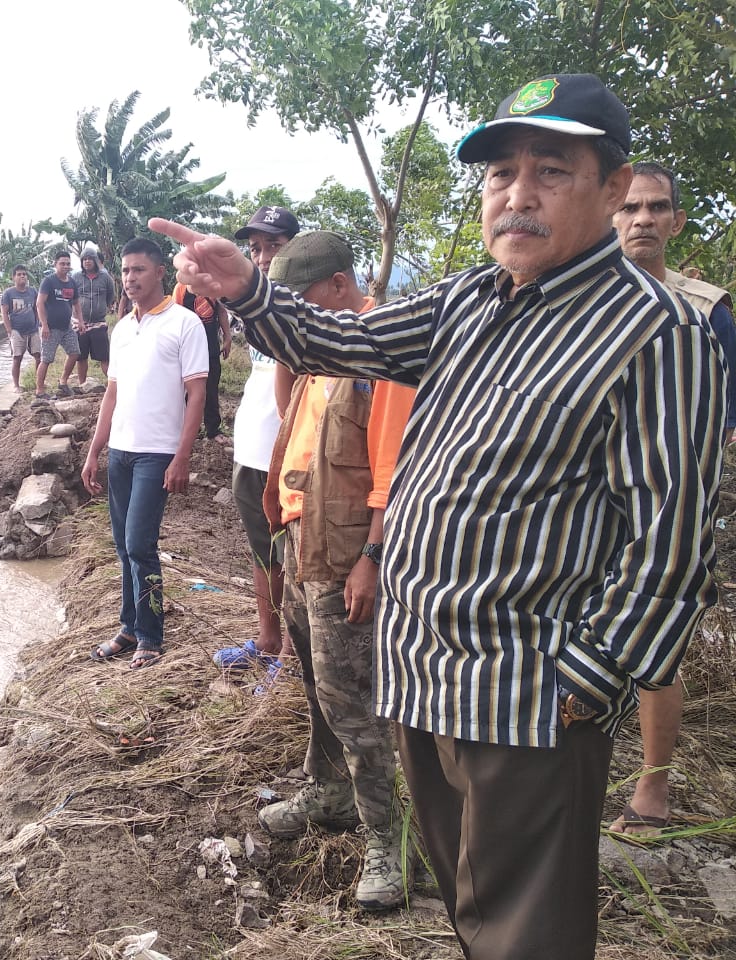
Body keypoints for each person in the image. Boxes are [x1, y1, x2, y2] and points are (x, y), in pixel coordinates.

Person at [153, 73, 727, 960]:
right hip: (423, 678)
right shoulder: (469, 299)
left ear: (612, 189)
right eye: (501, 173)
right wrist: (248, 290)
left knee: (527, 935)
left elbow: (673, 545)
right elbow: (342, 341)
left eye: (550, 171)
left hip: (531, 700)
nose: (518, 195)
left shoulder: (657, 334)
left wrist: (588, 684)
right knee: (470, 908)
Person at [251, 231, 416, 911]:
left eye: (303, 299)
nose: (294, 314)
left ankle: (388, 838)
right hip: (302, 540)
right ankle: (328, 793)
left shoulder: (382, 353)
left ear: (340, 286)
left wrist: (372, 558)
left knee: (353, 702)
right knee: (317, 684)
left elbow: (392, 471)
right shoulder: (322, 353)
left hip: (347, 552)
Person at [611, 161, 736, 835]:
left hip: (667, 506)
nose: (643, 219)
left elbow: (723, 422)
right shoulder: (582, 301)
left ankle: (652, 787)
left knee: (657, 642)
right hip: (584, 503)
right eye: (630, 207)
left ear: (677, 222)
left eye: (657, 208)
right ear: (609, 213)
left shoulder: (707, 312)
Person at [82, 238, 209, 669]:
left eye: (138, 270)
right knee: (123, 547)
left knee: (140, 544)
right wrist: (94, 451)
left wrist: (182, 456)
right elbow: (112, 394)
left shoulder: (184, 324)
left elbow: (196, 394)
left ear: (159, 273)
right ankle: (129, 627)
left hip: (157, 453)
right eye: (125, 270)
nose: (129, 278)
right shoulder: (121, 329)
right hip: (121, 451)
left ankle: (151, 637)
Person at [212, 205, 301, 678]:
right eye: (256, 248)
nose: (263, 256)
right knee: (262, 552)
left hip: (290, 453)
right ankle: (267, 639)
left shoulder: (307, 308)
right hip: (251, 446)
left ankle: (290, 654)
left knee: (295, 558)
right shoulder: (253, 305)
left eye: (274, 246)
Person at [172, 283, 231, 441]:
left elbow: (221, 310)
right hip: (188, 346)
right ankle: (187, 427)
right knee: (184, 387)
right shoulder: (180, 288)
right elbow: (174, 317)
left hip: (210, 344)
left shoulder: (214, 284)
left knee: (211, 386)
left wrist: (227, 337)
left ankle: (213, 430)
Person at [35, 252, 83, 399]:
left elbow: (76, 304)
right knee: (46, 359)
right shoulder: (49, 281)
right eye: (62, 263)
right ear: (55, 264)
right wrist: (44, 324)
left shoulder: (72, 282)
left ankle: (63, 381)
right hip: (50, 327)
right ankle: (39, 391)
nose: (65, 266)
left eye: (68, 264)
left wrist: (81, 321)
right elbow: (39, 303)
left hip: (66, 327)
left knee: (74, 352)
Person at [74, 244, 117, 387]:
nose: (87, 261)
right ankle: (82, 385)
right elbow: (71, 297)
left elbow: (110, 295)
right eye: (84, 259)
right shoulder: (76, 277)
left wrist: (102, 307)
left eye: (90, 259)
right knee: (81, 357)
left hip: (99, 323)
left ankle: (112, 386)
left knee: (104, 356)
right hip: (80, 324)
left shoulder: (105, 277)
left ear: (95, 261)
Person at [0, 265, 41, 392]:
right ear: (14, 277)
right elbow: (4, 313)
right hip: (16, 330)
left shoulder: (33, 291)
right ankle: (16, 385)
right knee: (17, 358)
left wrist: (38, 323)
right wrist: (9, 331)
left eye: (24, 274)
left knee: (38, 356)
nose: (22, 276)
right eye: (19, 274)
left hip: (33, 330)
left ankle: (39, 383)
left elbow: (36, 309)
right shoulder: (8, 293)